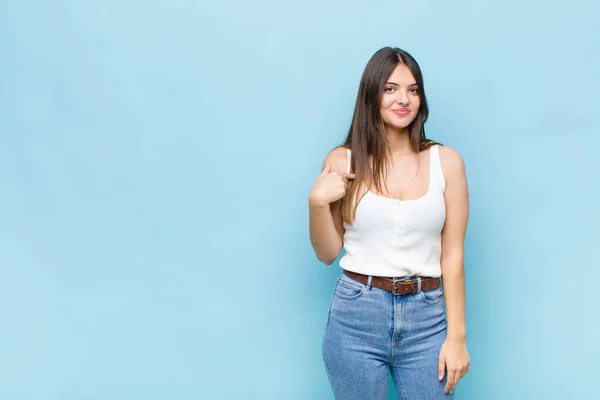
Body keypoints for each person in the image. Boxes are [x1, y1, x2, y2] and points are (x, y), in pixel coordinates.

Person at [308, 47, 470, 399]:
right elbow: (327, 253)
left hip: (427, 318)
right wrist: (317, 203)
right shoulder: (343, 160)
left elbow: (453, 255)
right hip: (356, 315)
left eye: (413, 90)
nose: (404, 99)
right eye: (390, 88)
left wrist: (456, 337)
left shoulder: (447, 163)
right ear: (372, 94)